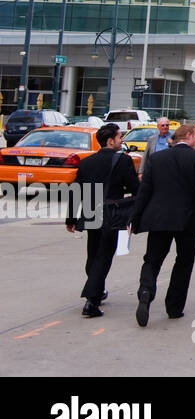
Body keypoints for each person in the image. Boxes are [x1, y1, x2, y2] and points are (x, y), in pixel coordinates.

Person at [130, 124, 195, 326]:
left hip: (158, 218)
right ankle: (174, 306)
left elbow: (144, 191)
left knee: (152, 259)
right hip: (187, 219)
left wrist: (135, 217)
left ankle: (146, 292)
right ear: (190, 136)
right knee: (184, 262)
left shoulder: (157, 159)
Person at [65, 123, 138, 318]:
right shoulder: (123, 160)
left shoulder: (87, 162)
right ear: (110, 141)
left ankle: (97, 290)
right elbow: (135, 188)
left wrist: (70, 219)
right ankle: (92, 301)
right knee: (104, 256)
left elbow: (75, 190)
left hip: (90, 210)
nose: (122, 140)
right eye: (120, 136)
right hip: (110, 213)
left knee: (93, 253)